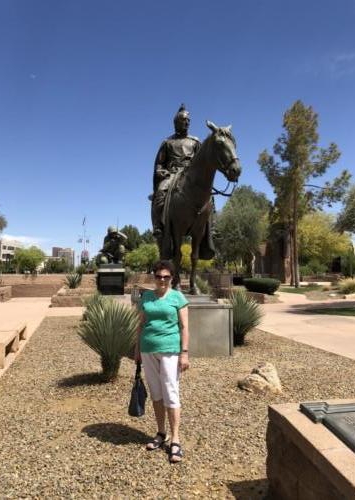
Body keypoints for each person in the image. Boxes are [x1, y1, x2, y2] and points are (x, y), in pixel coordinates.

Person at [134, 260, 189, 463]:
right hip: (148, 350)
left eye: (166, 276)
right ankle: (161, 432)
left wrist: (184, 353)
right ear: (154, 278)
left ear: (171, 278)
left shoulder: (177, 297)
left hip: (170, 351)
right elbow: (141, 324)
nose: (162, 280)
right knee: (156, 393)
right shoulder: (147, 296)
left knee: (171, 392)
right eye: (159, 276)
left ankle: (175, 439)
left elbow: (184, 327)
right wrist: (137, 349)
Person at [151, 104, 201, 240]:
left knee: (207, 194)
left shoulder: (195, 141)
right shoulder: (168, 142)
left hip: (191, 175)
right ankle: (158, 226)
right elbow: (159, 163)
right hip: (172, 174)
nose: (187, 122)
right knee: (161, 191)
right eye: (184, 120)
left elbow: (202, 162)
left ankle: (212, 227)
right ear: (176, 122)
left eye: (188, 120)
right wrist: (160, 171)